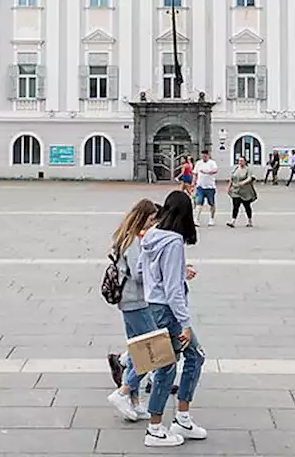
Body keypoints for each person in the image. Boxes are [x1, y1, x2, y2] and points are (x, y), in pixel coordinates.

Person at [139, 190, 207, 447]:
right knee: (169, 365)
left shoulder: (151, 236)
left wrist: (178, 271)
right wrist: (186, 324)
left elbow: (142, 271)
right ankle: (156, 428)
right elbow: (173, 290)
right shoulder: (174, 241)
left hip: (154, 305)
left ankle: (181, 418)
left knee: (191, 357)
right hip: (168, 309)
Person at [106, 198, 161, 422]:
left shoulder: (124, 236)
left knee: (137, 349)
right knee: (152, 351)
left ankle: (136, 402)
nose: (152, 224)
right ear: (142, 218)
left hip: (127, 301)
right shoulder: (133, 243)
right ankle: (124, 392)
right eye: (150, 219)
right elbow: (139, 274)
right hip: (136, 300)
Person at [226, 156, 257, 228]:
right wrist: (228, 187)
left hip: (245, 191)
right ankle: (233, 221)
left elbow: (250, 178)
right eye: (239, 161)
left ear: (245, 161)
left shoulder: (248, 169)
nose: (240, 162)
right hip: (236, 190)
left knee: (247, 206)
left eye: (242, 161)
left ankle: (249, 221)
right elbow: (232, 178)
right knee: (235, 206)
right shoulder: (236, 169)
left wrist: (243, 182)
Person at [192, 149, 218, 227]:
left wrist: (207, 172)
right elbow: (195, 174)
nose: (204, 157)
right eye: (202, 156)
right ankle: (196, 219)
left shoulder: (212, 163)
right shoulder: (198, 163)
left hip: (210, 187)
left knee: (211, 203)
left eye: (205, 156)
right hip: (200, 186)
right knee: (198, 202)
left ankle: (211, 218)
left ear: (208, 155)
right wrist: (193, 183)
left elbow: (215, 170)